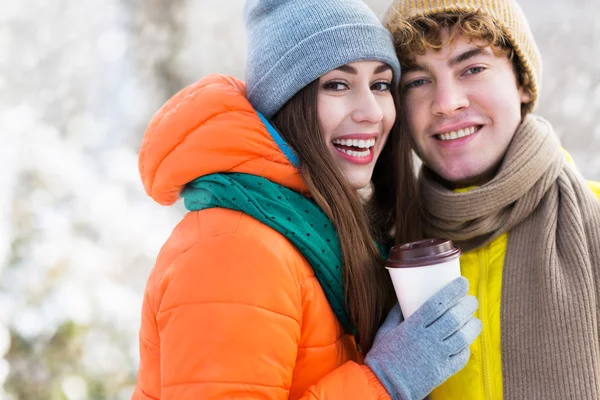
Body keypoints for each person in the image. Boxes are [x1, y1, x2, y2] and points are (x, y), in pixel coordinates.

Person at [132, 0, 482, 399]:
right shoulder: (234, 249)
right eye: (337, 84)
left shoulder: (318, 230)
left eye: (381, 84)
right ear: (285, 103)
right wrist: (386, 381)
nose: (372, 112)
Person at [384, 0, 600, 399]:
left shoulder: (595, 223)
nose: (447, 102)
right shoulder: (378, 247)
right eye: (417, 81)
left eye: (473, 68)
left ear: (522, 82)